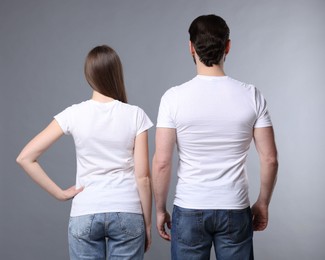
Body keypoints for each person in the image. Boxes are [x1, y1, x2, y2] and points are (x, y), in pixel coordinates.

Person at [152, 14, 278, 260]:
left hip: (189, 207)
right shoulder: (252, 95)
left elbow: (162, 162)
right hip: (235, 207)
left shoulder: (173, 98)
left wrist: (159, 209)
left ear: (190, 48)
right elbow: (270, 158)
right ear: (227, 46)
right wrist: (263, 203)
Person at [16, 45, 153, 260]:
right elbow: (143, 177)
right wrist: (147, 224)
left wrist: (59, 194)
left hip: (85, 211)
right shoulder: (135, 115)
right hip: (127, 210)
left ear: (88, 75)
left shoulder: (74, 114)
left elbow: (25, 157)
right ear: (117, 73)